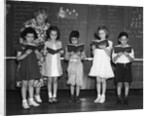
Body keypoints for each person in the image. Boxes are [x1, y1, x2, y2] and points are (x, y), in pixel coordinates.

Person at [19, 8, 50, 103]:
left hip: (40, 52)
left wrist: (45, 51)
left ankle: (36, 95)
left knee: (38, 74)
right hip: (28, 52)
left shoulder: (47, 26)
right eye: (40, 18)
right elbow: (21, 38)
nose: (42, 21)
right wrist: (24, 49)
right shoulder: (27, 24)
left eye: (44, 19)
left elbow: (48, 40)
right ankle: (27, 98)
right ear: (35, 16)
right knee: (28, 75)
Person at [16, 27, 42, 109]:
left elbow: (39, 58)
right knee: (24, 84)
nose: (30, 39)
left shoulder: (34, 46)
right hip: (24, 67)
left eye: (32, 37)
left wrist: (38, 53)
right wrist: (26, 53)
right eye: (28, 36)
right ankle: (24, 101)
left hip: (33, 67)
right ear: (24, 37)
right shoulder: (21, 46)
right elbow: (18, 58)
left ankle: (31, 99)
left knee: (31, 84)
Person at [89, 26, 114, 103]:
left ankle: (103, 96)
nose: (101, 35)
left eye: (102, 33)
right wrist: (93, 49)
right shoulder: (96, 42)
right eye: (99, 33)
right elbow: (93, 54)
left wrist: (104, 48)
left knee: (103, 80)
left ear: (106, 33)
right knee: (98, 80)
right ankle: (98, 96)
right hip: (97, 62)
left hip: (104, 63)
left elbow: (109, 54)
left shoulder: (109, 42)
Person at [112, 32, 134, 105]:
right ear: (119, 40)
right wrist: (118, 55)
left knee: (126, 83)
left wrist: (127, 55)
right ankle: (119, 98)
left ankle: (126, 98)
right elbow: (114, 60)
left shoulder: (130, 48)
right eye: (122, 39)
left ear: (127, 40)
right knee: (119, 83)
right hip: (119, 66)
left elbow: (132, 60)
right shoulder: (116, 48)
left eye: (125, 39)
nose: (123, 41)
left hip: (127, 66)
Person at [43, 26, 63, 103]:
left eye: (55, 35)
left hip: (56, 64)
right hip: (49, 63)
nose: (54, 36)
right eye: (52, 34)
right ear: (49, 34)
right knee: (49, 80)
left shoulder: (59, 43)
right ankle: (50, 96)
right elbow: (44, 53)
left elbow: (60, 52)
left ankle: (54, 96)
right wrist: (44, 52)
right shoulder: (46, 43)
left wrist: (61, 52)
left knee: (55, 81)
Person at [65, 31, 86, 103]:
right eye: (72, 40)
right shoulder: (68, 47)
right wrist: (70, 54)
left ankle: (77, 96)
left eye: (75, 40)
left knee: (78, 81)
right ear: (70, 40)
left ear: (78, 39)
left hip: (79, 65)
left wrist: (80, 54)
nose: (74, 41)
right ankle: (71, 96)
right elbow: (66, 58)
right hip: (71, 65)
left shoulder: (81, 47)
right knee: (71, 81)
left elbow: (84, 58)